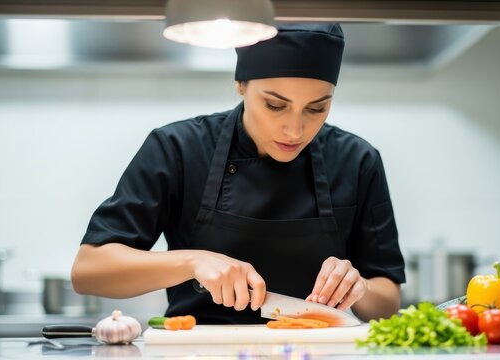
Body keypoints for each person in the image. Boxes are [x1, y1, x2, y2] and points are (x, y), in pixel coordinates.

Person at [71, 23, 405, 324]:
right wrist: (191, 261)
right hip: (200, 350)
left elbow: (387, 302)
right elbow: (90, 271)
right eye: (275, 105)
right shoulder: (178, 148)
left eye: (317, 108)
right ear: (241, 84)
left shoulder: (357, 160)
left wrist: (359, 288)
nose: (295, 130)